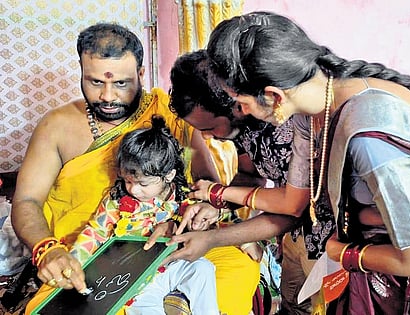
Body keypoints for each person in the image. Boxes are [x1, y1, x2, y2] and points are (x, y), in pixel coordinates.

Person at [165, 11, 410, 314]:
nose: (242, 111)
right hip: (358, 269)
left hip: (399, 286)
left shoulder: (369, 140)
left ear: (273, 96)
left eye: (243, 103)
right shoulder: (308, 113)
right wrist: (215, 210)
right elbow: (294, 200)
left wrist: (342, 253)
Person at [11, 22, 259, 315]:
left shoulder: (168, 112)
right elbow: (26, 201)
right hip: (90, 253)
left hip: (172, 241)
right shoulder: (56, 126)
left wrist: (184, 219)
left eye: (120, 83)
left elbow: (205, 182)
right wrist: (48, 250)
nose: (107, 96)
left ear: (141, 74)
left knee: (237, 271)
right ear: (80, 71)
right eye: (94, 82)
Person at [168, 49, 332, 314]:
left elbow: (293, 210)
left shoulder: (283, 126)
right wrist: (216, 205)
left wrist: (212, 238)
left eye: (210, 129)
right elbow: (250, 174)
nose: (208, 138)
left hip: (327, 241)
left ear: (234, 106)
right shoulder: (241, 128)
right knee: (293, 306)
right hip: (294, 240)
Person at [70, 115, 218, 314]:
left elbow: (213, 218)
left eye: (143, 183)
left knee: (203, 269)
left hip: (173, 266)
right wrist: (73, 263)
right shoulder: (117, 202)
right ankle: (171, 301)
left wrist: (246, 241)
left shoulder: (184, 196)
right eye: (128, 181)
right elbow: (94, 232)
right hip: (137, 280)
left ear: (169, 175)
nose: (134, 190)